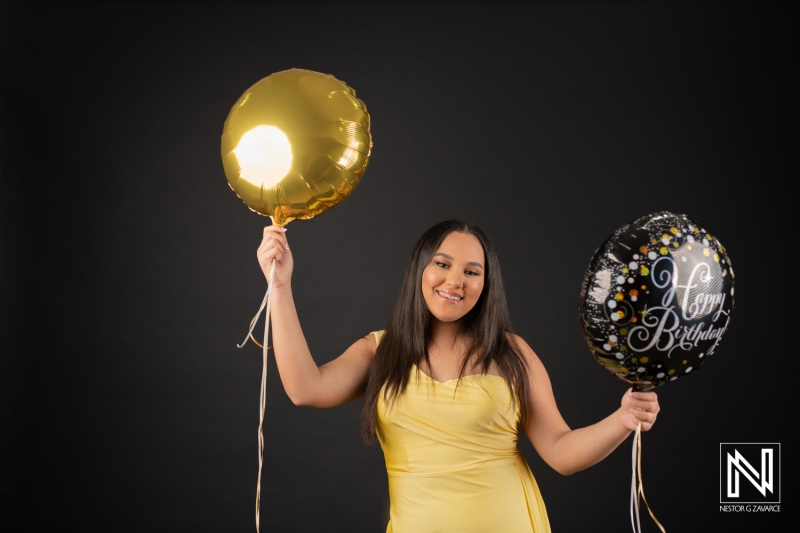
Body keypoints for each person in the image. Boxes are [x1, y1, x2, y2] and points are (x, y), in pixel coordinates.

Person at [256, 219, 660, 533]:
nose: (455, 281)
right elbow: (304, 388)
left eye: (472, 271)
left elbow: (561, 452)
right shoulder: (381, 351)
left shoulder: (511, 354)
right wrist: (280, 285)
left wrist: (623, 420)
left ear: (486, 284)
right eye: (443, 264)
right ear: (421, 268)